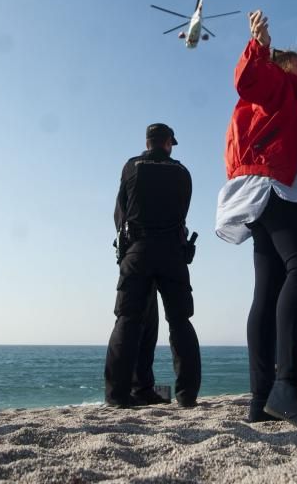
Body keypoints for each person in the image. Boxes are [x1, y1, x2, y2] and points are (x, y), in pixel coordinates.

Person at [215, 10, 297, 432]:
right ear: (285, 64)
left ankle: (261, 396)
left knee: (267, 291)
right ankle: (288, 386)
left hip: (258, 193)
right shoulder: (274, 82)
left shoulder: (284, 98)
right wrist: (259, 46)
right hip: (274, 190)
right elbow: (247, 80)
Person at [104, 123, 202, 409]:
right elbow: (182, 212)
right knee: (181, 322)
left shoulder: (131, 167)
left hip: (138, 250)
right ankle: (186, 396)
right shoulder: (183, 172)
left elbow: (120, 212)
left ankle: (117, 397)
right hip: (172, 252)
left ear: (147, 142)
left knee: (127, 320)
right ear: (168, 143)